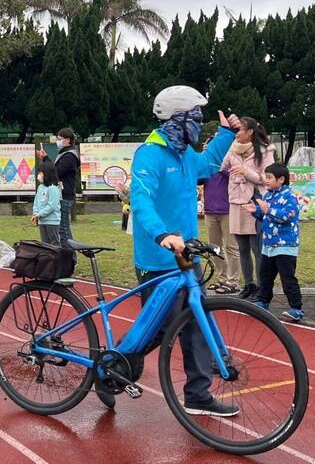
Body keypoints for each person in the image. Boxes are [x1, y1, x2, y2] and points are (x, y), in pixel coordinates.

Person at [130, 85, 241, 417]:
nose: (198, 124)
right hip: (158, 259)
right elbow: (141, 199)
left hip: (186, 258)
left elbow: (207, 165)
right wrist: (162, 234)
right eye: (195, 118)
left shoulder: (184, 154)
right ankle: (119, 362)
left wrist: (225, 133)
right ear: (176, 120)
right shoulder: (149, 154)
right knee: (159, 329)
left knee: (195, 321)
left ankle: (197, 393)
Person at [243, 163, 304, 321]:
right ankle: (263, 302)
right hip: (269, 244)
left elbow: (287, 216)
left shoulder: (290, 196)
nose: (266, 180)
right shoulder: (268, 195)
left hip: (285, 245)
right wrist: (255, 211)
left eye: (269, 177)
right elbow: (264, 216)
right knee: (265, 275)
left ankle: (296, 308)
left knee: (287, 277)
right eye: (265, 177)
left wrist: (267, 210)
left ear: (281, 179)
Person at [221, 117, 274, 300]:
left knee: (256, 247)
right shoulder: (233, 148)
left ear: (250, 132)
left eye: (240, 130)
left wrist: (246, 172)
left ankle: (262, 287)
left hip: (254, 202)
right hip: (236, 201)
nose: (237, 134)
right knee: (241, 247)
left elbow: (268, 178)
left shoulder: (265, 150)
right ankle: (249, 284)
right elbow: (222, 166)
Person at [201, 137, 241, 294]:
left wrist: (222, 168)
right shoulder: (206, 168)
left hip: (228, 210)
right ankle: (222, 278)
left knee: (231, 247)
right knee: (215, 248)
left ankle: (234, 281)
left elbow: (235, 177)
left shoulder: (229, 163)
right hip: (210, 211)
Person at [37, 128, 80, 255]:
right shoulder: (64, 153)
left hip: (65, 196)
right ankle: (68, 257)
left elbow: (56, 172)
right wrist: (46, 159)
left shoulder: (70, 156)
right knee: (62, 229)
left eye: (59, 139)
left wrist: (46, 160)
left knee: (63, 230)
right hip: (62, 195)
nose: (57, 141)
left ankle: (70, 258)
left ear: (67, 140)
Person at [32, 162, 61, 245]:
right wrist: (35, 213)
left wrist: (39, 214)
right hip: (42, 221)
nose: (39, 175)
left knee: (54, 245)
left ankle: (57, 258)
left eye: (41, 173)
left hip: (52, 222)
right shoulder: (40, 187)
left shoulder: (53, 188)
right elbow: (36, 202)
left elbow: (52, 206)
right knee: (44, 245)